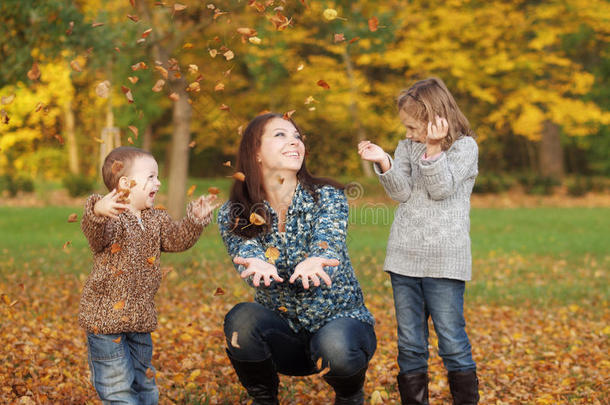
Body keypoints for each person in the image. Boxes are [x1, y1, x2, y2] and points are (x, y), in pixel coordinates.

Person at [218, 113, 376, 405]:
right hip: (284, 335)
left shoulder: (327, 197)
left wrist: (319, 257)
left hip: (340, 326)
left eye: (297, 136)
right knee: (241, 319)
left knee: (336, 346)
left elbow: (328, 237)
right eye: (280, 135)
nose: (294, 142)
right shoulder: (234, 211)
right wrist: (257, 261)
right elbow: (245, 248)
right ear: (255, 152)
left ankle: (350, 395)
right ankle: (264, 399)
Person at [358, 77, 479, 405]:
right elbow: (402, 193)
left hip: (444, 261)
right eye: (406, 128)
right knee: (410, 345)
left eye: (413, 127)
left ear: (435, 118)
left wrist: (435, 148)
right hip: (404, 259)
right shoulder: (407, 146)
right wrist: (384, 161)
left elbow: (441, 190)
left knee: (452, 343)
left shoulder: (465, 147)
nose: (409, 134)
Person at [78, 146, 218, 404]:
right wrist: (98, 210)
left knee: (144, 384)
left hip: (140, 320)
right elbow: (94, 233)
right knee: (118, 388)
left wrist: (195, 221)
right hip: (105, 322)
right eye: (151, 177)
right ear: (125, 183)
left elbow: (177, 240)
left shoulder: (156, 219)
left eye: (158, 176)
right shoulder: (112, 218)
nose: (158, 182)